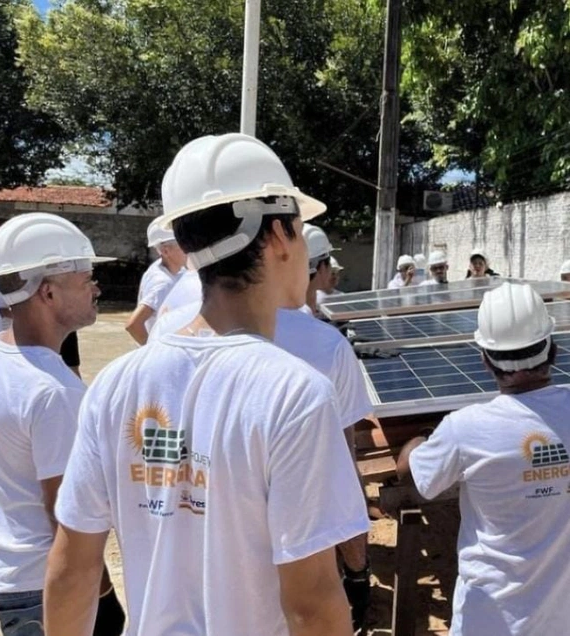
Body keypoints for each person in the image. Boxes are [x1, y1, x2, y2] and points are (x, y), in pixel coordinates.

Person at [44, 133, 369, 636]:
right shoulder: (294, 393)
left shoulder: (114, 385)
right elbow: (311, 603)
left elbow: (73, 569)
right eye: (303, 230)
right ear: (280, 235)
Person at [397, 282, 570, 634]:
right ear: (553, 348)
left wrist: (422, 440)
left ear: (485, 358)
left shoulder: (464, 429)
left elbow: (411, 475)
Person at [0, 213, 125, 636]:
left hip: (9, 576)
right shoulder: (55, 392)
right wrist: (101, 595)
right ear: (47, 291)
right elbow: (66, 517)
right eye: (86, 279)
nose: (96, 288)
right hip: (47, 588)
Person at [272, 223, 374, 630]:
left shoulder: (211, 334)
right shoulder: (327, 345)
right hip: (310, 533)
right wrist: (359, 574)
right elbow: (344, 469)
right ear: (310, 267)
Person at [124, 216, 187, 344]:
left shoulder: (161, 269)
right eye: (183, 244)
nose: (188, 249)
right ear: (165, 251)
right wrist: (152, 351)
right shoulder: (163, 283)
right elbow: (133, 325)